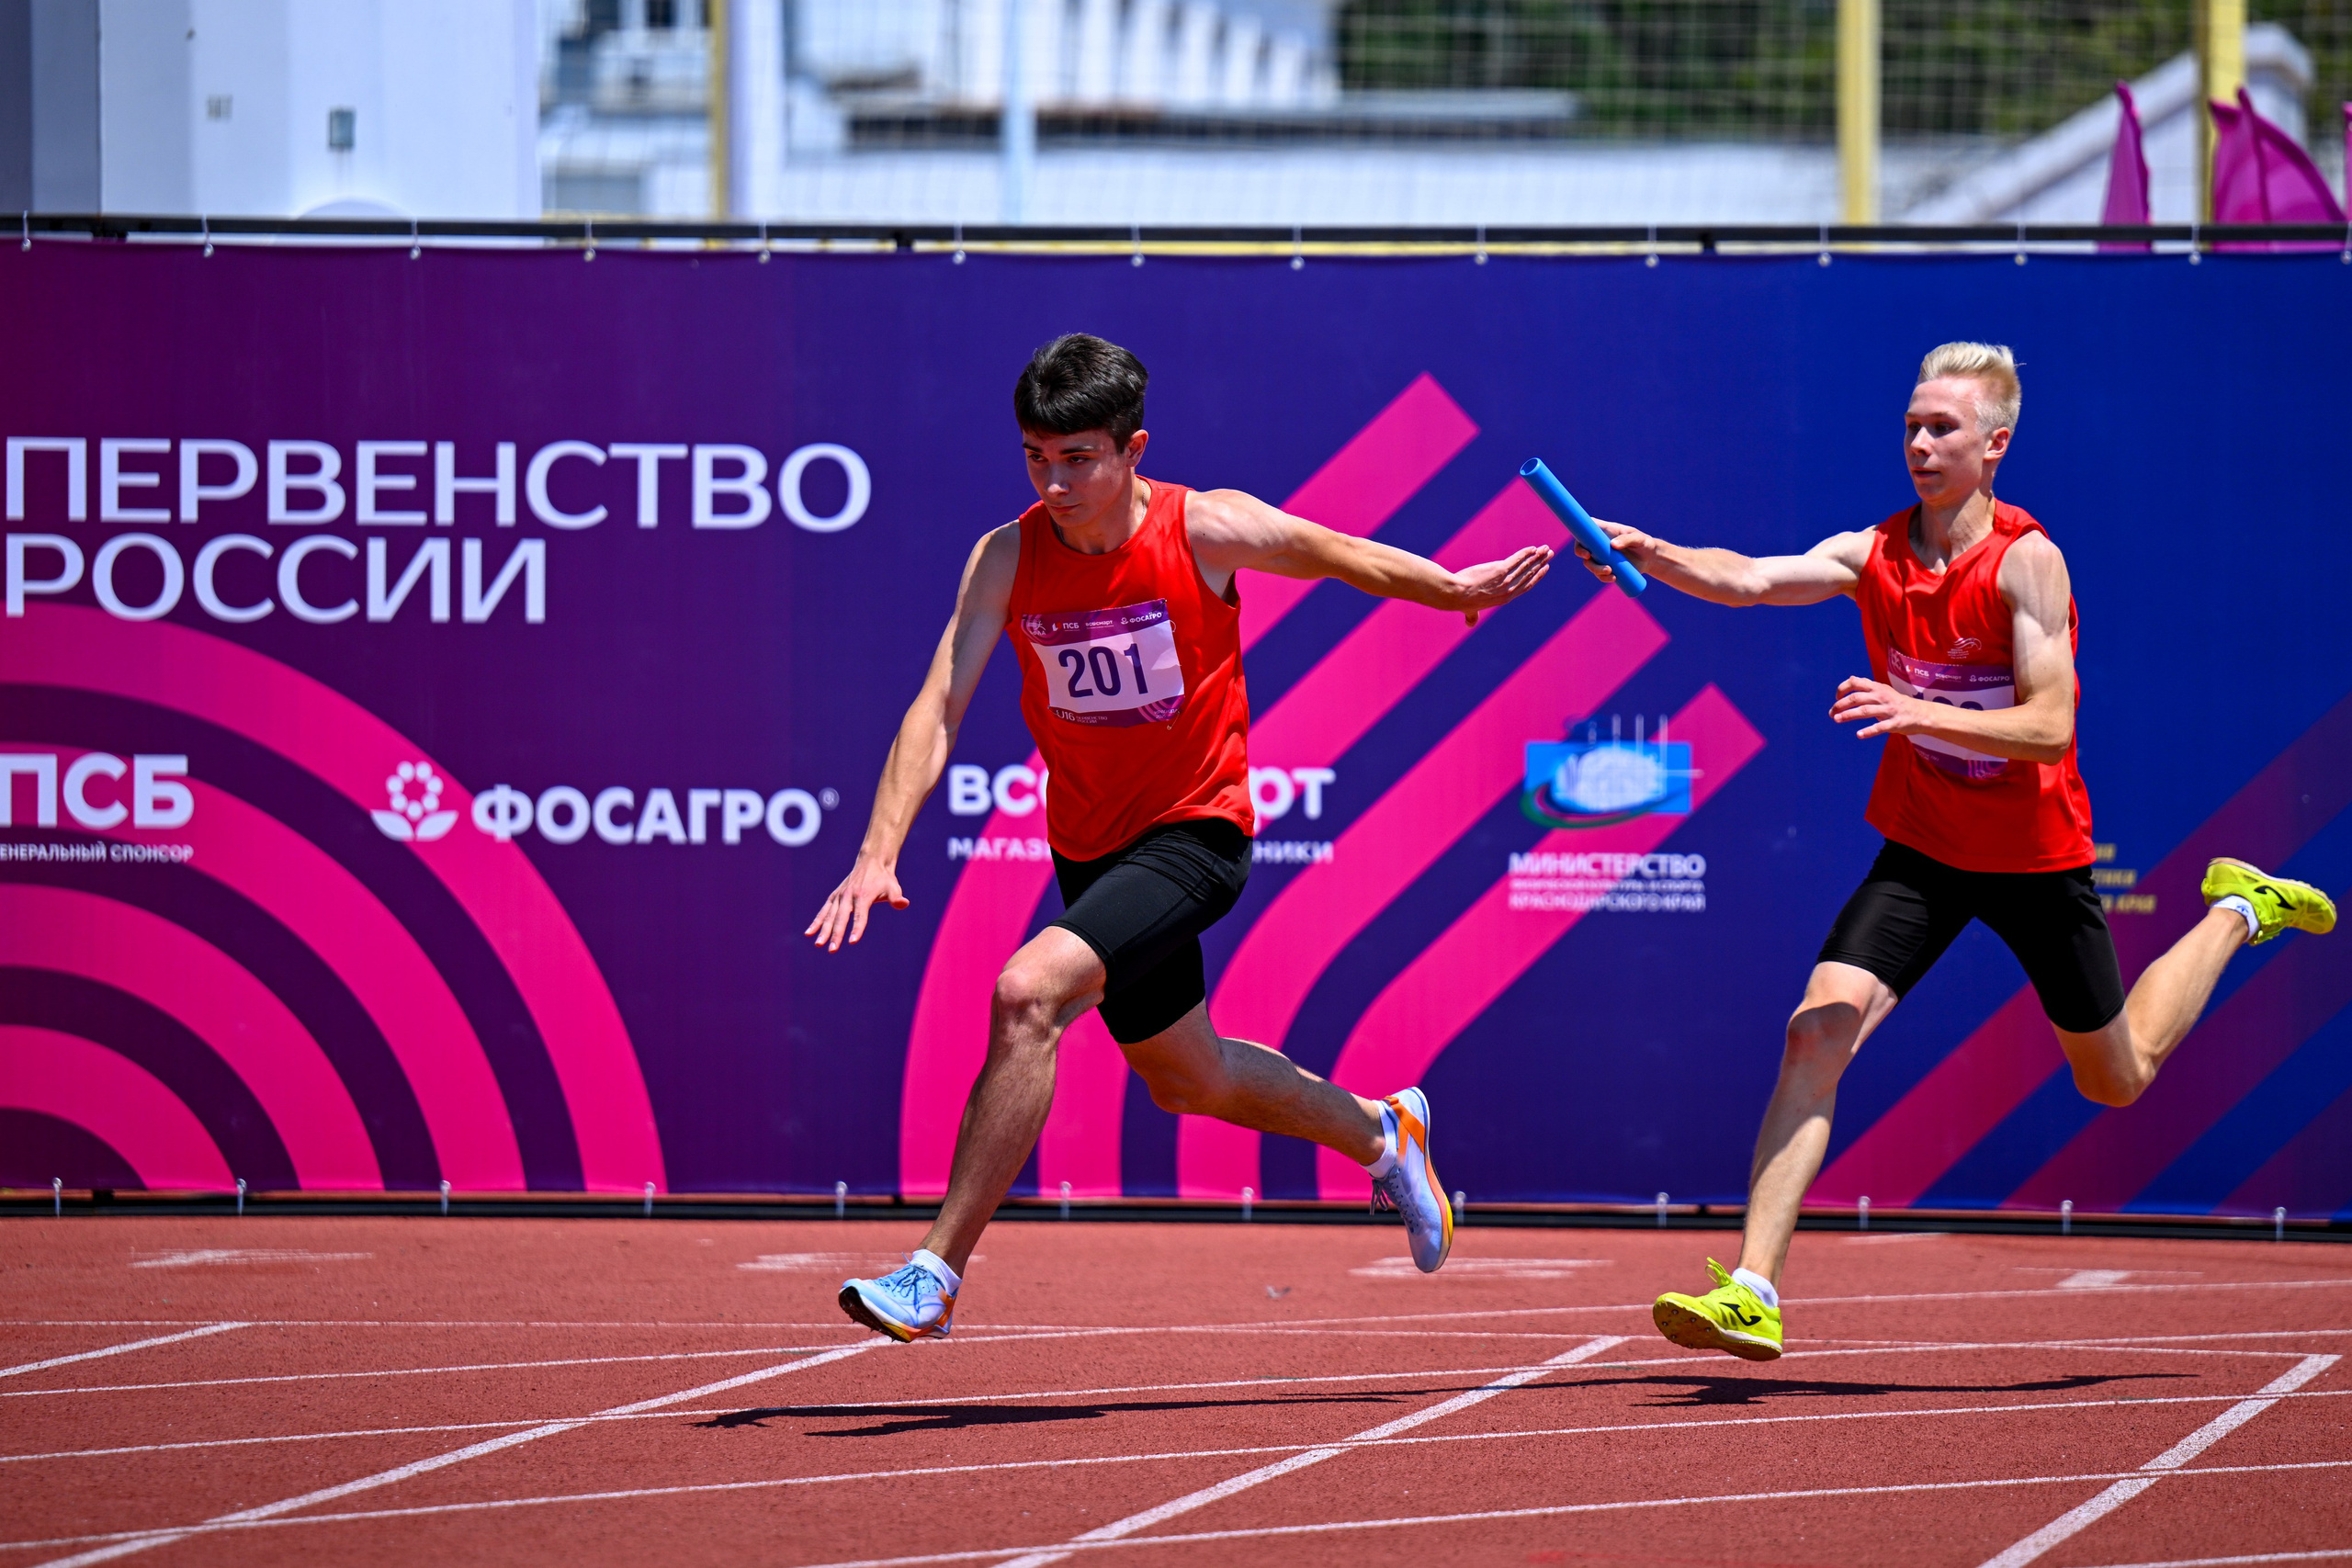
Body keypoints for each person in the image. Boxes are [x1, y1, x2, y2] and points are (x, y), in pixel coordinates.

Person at [1573, 341, 2335, 1362]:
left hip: (2035, 858)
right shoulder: (1875, 552)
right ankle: (1752, 1288)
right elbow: (1750, 578)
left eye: (1943, 429)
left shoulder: (2027, 560)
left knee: (2116, 1079)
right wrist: (1655, 553)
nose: (1921, 445)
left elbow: (2050, 726)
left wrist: (1917, 708)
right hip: (1926, 848)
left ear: (1995, 444)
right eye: (1911, 428)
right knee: (1815, 1034)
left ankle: (2238, 909)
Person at [809, 333, 1554, 1341]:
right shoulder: (1007, 557)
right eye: (1036, 457)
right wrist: (876, 849)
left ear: (1133, 450)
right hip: (1090, 848)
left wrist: (1454, 589)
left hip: (1196, 833)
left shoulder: (1206, 527)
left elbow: (1345, 556)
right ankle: (1385, 1132)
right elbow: (938, 703)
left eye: (1079, 459)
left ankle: (934, 1273)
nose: (1054, 483)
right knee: (1186, 1078)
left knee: (1027, 993)